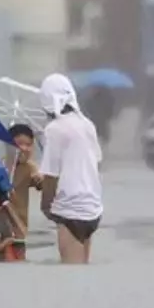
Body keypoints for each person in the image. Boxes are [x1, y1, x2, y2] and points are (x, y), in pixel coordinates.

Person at [37, 73, 103, 265]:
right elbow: (95, 162)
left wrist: (45, 205)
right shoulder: (88, 125)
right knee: (84, 273)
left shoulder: (53, 130)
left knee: (71, 275)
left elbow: (51, 176)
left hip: (69, 211)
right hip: (93, 209)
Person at [7, 123, 43, 260]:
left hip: (20, 227)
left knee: (19, 260)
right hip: (1, 228)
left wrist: (39, 178)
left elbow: (41, 182)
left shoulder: (30, 167)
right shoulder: (0, 167)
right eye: (19, 144)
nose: (24, 149)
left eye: (29, 145)